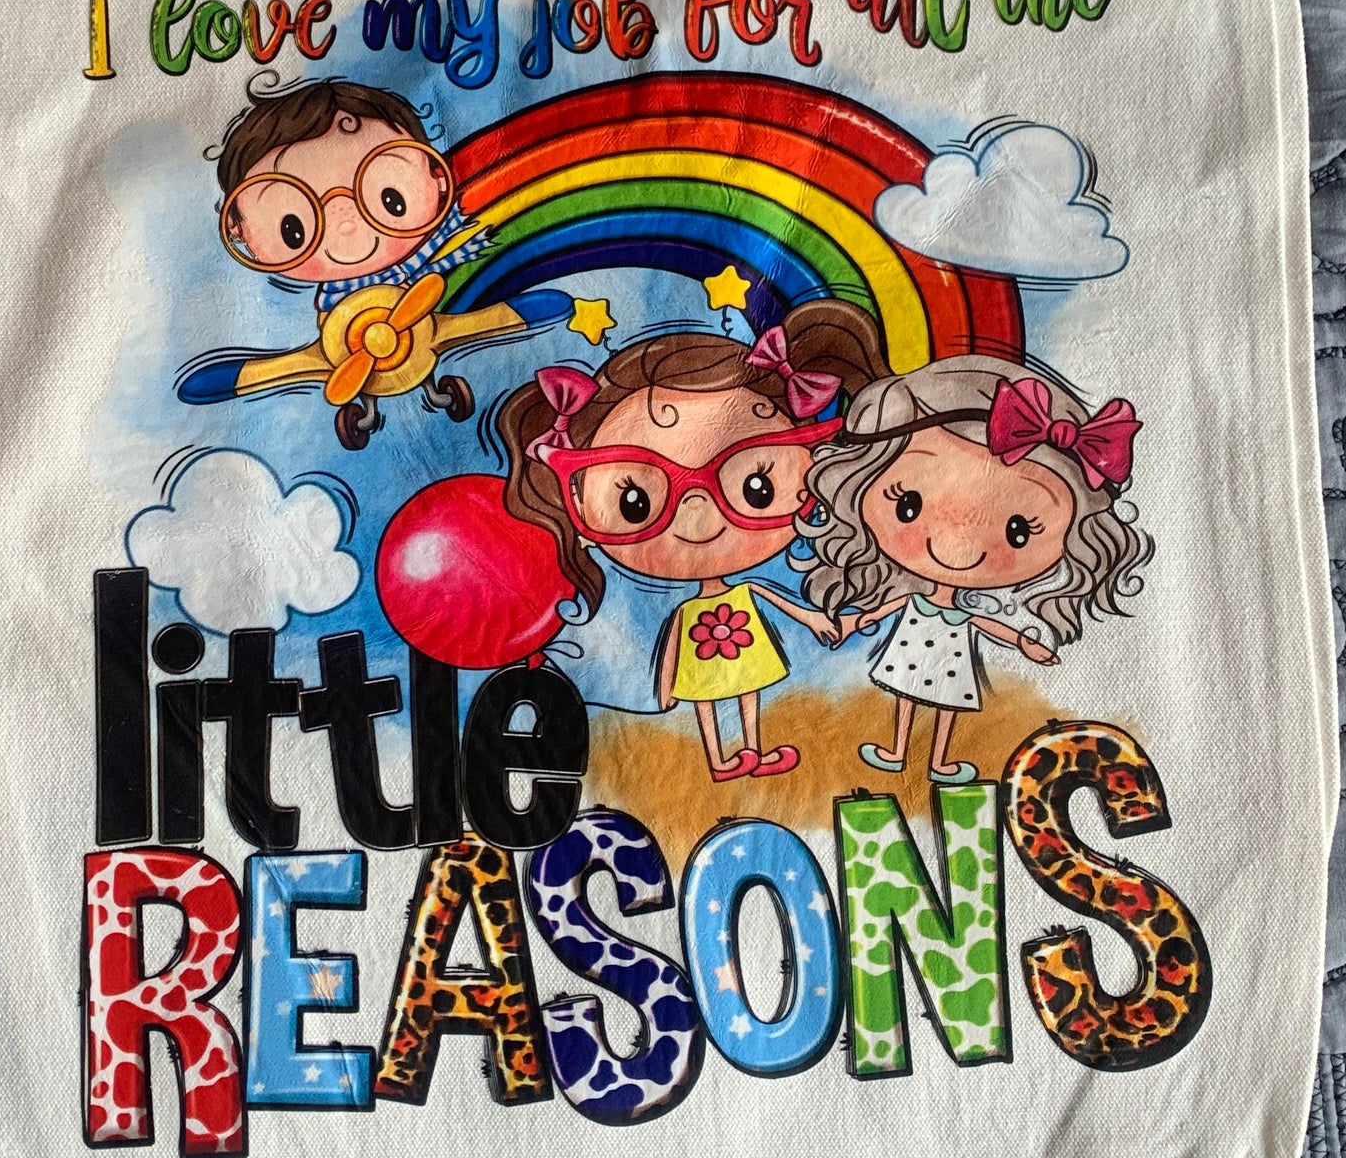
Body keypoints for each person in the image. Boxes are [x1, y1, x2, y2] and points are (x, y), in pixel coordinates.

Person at [495, 304, 887, 780]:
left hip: (742, 644)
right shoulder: (688, 611)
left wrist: (813, 616)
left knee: (748, 690)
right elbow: (676, 643)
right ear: (575, 499)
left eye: (756, 487)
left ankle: (752, 750)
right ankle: (720, 760)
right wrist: (663, 690)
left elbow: (776, 600)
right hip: (705, 650)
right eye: (636, 501)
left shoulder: (748, 588)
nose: (697, 516)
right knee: (705, 698)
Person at [797, 355, 1150, 784]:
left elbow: (984, 623)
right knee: (905, 695)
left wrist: (1022, 641)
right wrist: (859, 619)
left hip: (949, 654)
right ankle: (898, 750)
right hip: (915, 646)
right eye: (908, 504)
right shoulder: (916, 594)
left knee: (947, 702)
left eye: (1019, 530)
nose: (957, 550)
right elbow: (891, 608)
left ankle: (939, 761)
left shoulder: (959, 605)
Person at [212, 75, 481, 448]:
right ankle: (366, 411)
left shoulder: (438, 260)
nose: (347, 224)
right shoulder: (337, 302)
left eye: (391, 200)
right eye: (294, 229)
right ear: (238, 230)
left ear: (438, 178)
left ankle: (435, 391)